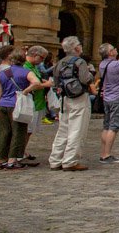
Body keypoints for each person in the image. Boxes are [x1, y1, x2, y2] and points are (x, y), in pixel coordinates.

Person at [49, 35, 94, 172]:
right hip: (79, 97)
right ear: (77, 47)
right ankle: (70, 161)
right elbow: (86, 79)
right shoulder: (80, 62)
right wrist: (92, 73)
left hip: (64, 98)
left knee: (63, 130)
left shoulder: (59, 63)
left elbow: (55, 82)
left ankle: (55, 160)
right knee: (76, 129)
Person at [0, 48, 42, 170]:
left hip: (3, 104)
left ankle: (1, 159)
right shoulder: (26, 72)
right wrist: (25, 91)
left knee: (4, 132)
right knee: (18, 132)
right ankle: (12, 160)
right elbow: (37, 83)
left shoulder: (3, 73)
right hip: (17, 105)